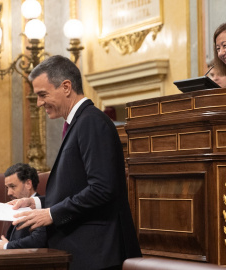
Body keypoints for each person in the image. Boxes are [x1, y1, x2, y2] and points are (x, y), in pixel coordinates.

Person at [10, 55, 142, 269]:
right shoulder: (80, 123)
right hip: (86, 252)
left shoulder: (91, 122)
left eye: (43, 95)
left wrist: (51, 214)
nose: (39, 103)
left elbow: (102, 188)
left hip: (97, 253)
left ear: (66, 87)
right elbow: (75, 186)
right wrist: (36, 203)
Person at [0, 163, 47, 250]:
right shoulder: (18, 207)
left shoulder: (42, 207)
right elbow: (12, 239)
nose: (9, 193)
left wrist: (6, 246)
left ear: (28, 184)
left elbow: (37, 240)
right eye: (7, 188)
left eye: (12, 186)